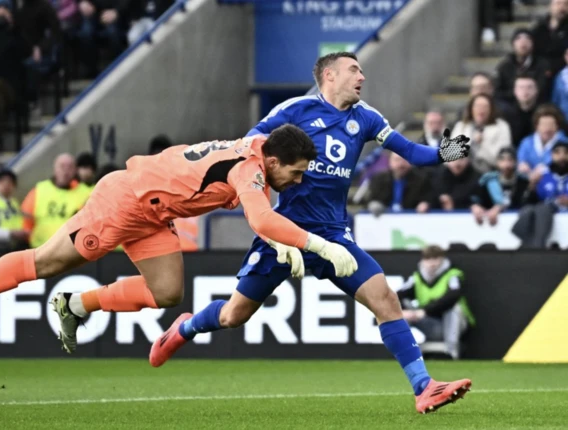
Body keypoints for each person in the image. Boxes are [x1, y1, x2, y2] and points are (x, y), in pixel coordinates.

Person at [152, 52, 472, 414]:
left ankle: (424, 387)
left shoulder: (366, 118)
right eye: (355, 69)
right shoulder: (295, 111)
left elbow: (411, 152)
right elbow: (248, 153)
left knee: (385, 298)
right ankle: (184, 328)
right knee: (233, 316)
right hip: (284, 232)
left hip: (334, 235)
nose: (362, 76)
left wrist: (447, 153)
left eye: (362, 70)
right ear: (330, 75)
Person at [0, 125, 358, 352]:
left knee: (168, 292)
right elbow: (263, 219)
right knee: (45, 263)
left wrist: (286, 243)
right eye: (296, 172)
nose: (298, 180)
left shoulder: (256, 151)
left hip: (155, 214)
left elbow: (258, 214)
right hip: (125, 203)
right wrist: (319, 245)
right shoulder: (249, 168)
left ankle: (76, 305)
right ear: (275, 159)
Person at [398, 245, 475, 360]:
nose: (432, 263)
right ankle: (404, 354)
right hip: (431, 324)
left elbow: (453, 296)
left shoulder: (452, 275)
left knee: (454, 309)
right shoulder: (417, 277)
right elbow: (397, 295)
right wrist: (404, 312)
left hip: (455, 325)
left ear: (442, 259)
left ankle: (452, 353)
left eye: (436, 259)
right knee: (399, 313)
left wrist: (425, 311)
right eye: (428, 259)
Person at [451, 93, 512, 174]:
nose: (481, 109)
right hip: (464, 173)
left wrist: (482, 144)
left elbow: (503, 158)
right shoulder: (461, 126)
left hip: (491, 171)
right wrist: (471, 142)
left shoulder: (501, 126)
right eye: (478, 106)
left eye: (485, 106)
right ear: (471, 108)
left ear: (491, 109)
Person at [470, 147, 531, 226]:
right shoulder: (488, 182)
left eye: (510, 160)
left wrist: (500, 208)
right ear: (497, 162)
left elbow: (526, 205)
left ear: (516, 162)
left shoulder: (523, 182)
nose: (506, 164)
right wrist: (475, 206)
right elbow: (474, 199)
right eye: (502, 160)